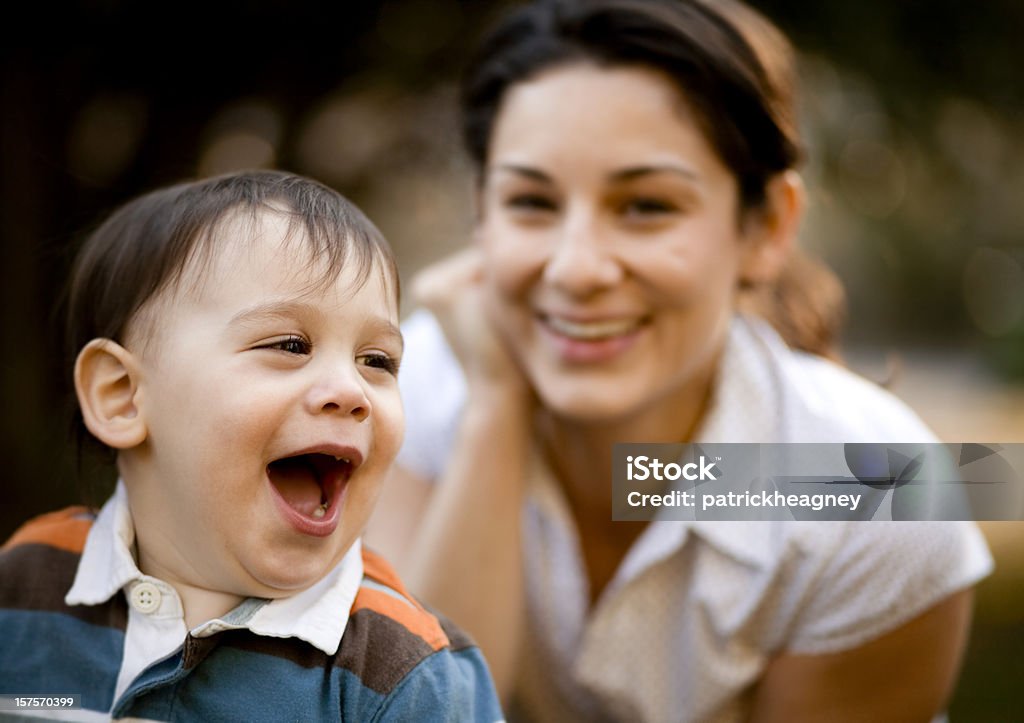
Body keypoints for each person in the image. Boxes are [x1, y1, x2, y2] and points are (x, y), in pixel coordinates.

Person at [364, 1, 994, 721]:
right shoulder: (411, 384)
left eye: (647, 205)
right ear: (483, 216)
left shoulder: (885, 489)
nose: (576, 268)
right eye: (532, 201)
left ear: (766, 227)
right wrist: (495, 409)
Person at [0, 170, 503, 722]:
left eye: (377, 361)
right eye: (290, 345)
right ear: (121, 396)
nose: (350, 391)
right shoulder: (23, 586)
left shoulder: (405, 675)